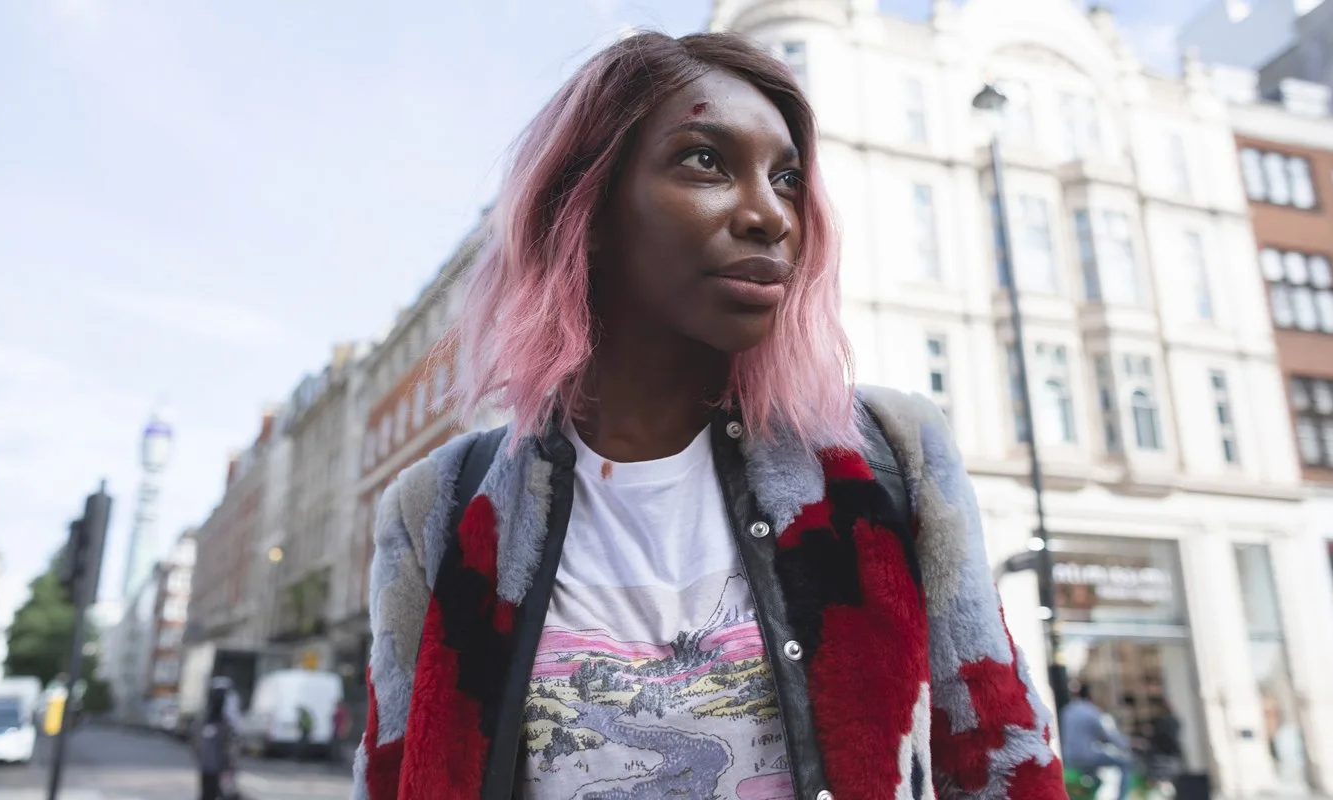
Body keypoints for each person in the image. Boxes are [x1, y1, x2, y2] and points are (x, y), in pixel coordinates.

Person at [351, 31, 1065, 800]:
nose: (771, 215)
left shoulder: (888, 460)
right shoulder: (443, 508)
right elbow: (396, 775)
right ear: (584, 207)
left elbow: (1003, 763)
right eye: (706, 160)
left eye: (787, 178)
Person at [1061, 684, 1133, 800]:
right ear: (1090, 695)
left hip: (1069, 757)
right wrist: (1126, 744)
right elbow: (1108, 735)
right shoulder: (1091, 711)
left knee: (1097, 779)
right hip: (1087, 756)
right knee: (1125, 763)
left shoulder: (1067, 710)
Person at [192, 685, 237, 800]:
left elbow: (196, 744)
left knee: (208, 794)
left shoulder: (204, 721)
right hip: (218, 766)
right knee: (216, 793)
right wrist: (230, 767)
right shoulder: (224, 724)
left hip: (206, 765)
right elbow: (230, 747)